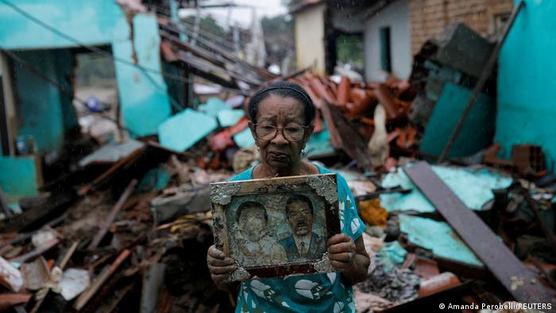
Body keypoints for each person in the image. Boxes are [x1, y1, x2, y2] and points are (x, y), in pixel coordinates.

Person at [207, 81, 370, 312]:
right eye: (268, 127)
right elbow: (228, 284)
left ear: (308, 133)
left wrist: (348, 260)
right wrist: (219, 269)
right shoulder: (234, 195)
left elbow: (361, 270)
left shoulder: (333, 187)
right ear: (254, 131)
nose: (279, 139)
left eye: (292, 129)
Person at [235, 201, 286, 266]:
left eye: (258, 217)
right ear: (238, 223)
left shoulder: (276, 249)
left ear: (266, 222)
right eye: (245, 218)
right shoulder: (234, 250)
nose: (251, 223)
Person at [279, 194, 326, 261]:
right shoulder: (280, 246)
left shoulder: (325, 243)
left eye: (305, 212)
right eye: (294, 214)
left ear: (313, 217)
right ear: (287, 220)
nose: (300, 218)